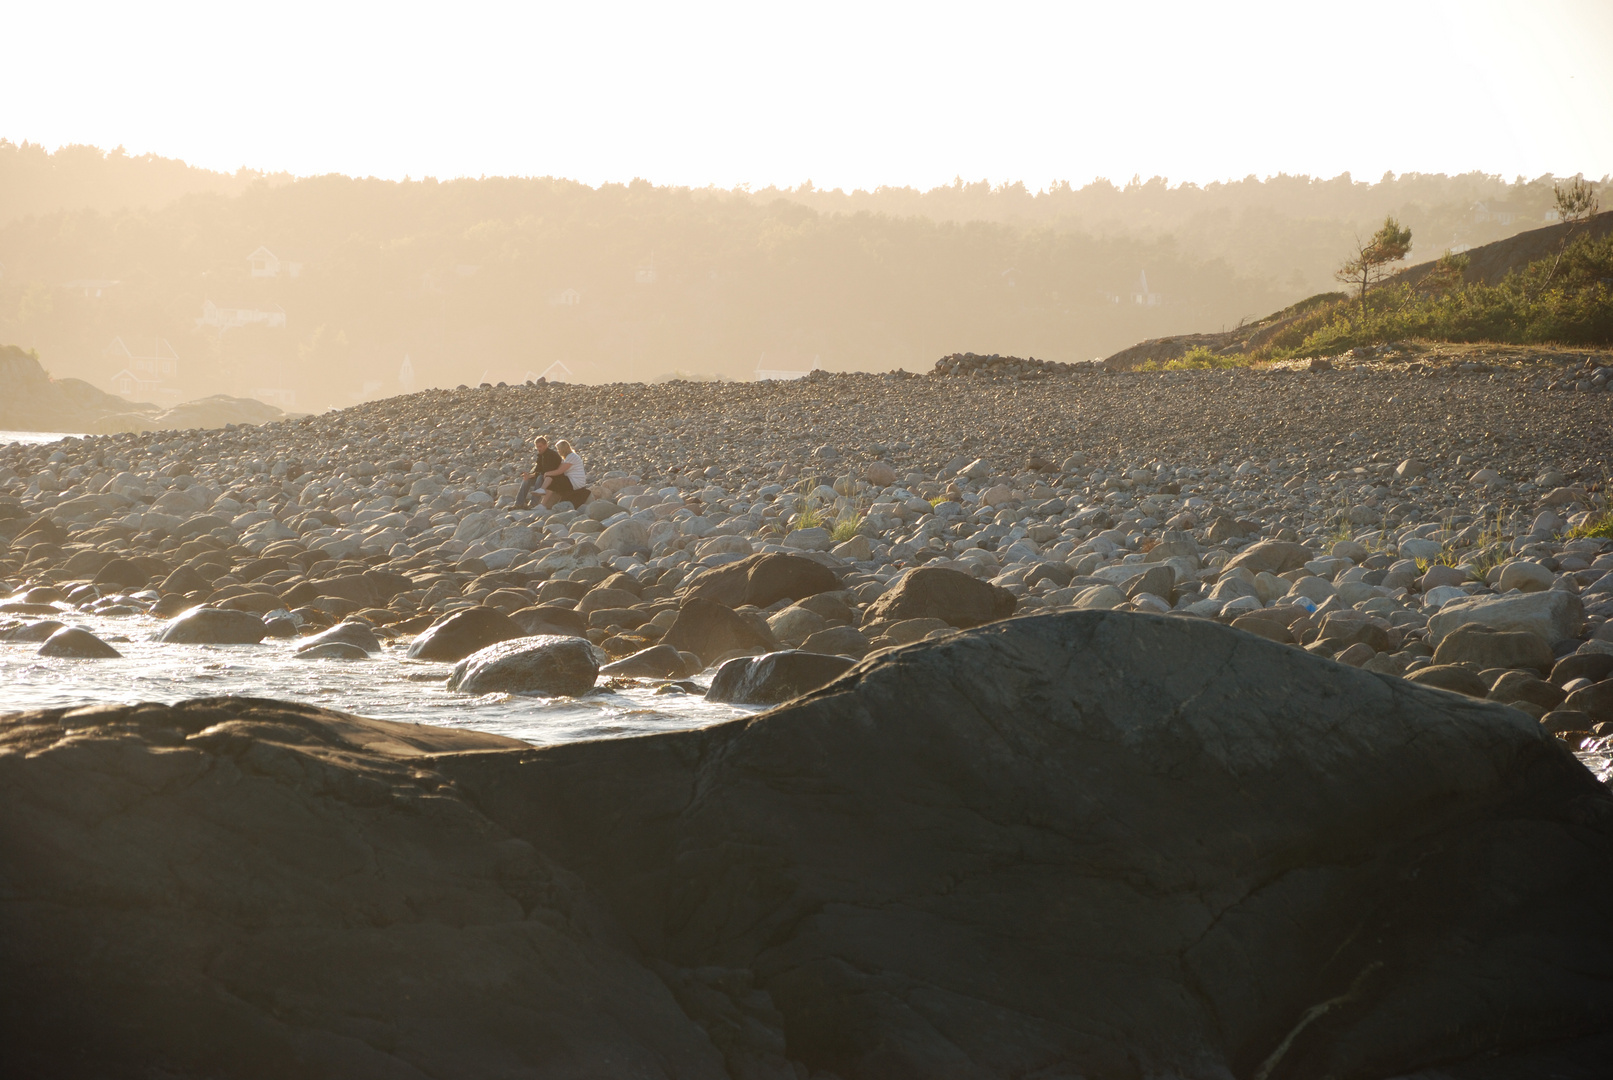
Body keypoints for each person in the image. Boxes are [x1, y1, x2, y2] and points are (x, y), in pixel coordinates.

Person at [513, 436, 562, 510]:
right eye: (537, 447)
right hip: (544, 476)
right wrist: (529, 475)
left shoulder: (551, 455)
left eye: (540, 446)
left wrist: (533, 475)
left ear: (546, 445)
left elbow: (546, 472)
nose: (539, 449)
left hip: (552, 479)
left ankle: (533, 504)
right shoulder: (540, 455)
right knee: (526, 480)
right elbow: (537, 470)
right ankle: (518, 504)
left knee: (539, 477)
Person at [541, 439, 591, 508]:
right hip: (571, 480)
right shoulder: (567, 458)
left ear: (563, 449)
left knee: (553, 479)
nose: (558, 451)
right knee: (553, 478)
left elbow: (560, 471)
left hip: (575, 482)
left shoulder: (572, 456)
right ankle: (542, 499)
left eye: (559, 449)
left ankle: (542, 501)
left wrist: (547, 473)